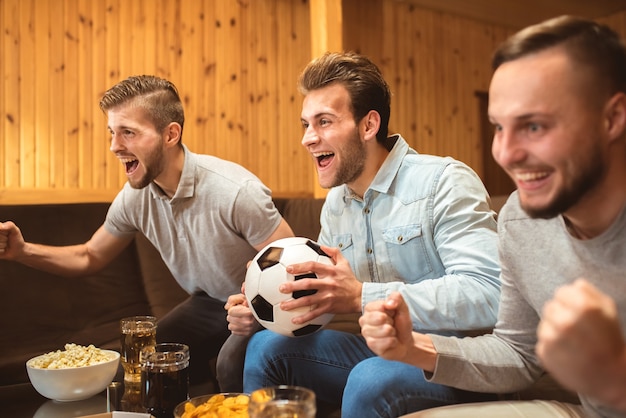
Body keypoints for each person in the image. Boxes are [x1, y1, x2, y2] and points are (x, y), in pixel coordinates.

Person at [360, 15, 626, 418]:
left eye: (534, 126)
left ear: (613, 118)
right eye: (499, 127)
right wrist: (412, 348)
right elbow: (516, 353)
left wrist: (613, 378)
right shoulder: (520, 219)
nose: (506, 153)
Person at [236, 52, 503, 417]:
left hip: (456, 358)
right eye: (305, 125)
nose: (308, 139)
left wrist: (362, 295)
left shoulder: (444, 181)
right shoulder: (336, 204)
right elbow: (332, 301)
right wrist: (267, 305)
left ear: (368, 125)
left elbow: (490, 292)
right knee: (266, 346)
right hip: (384, 351)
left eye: (324, 122)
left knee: (370, 377)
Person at [0, 75, 294, 385]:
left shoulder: (234, 190)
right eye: (112, 133)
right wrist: (22, 251)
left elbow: (292, 266)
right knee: (146, 362)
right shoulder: (135, 197)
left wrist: (256, 308)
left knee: (230, 363)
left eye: (128, 132)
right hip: (210, 302)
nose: (115, 146)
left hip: (259, 305)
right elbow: (89, 256)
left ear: (170, 134)